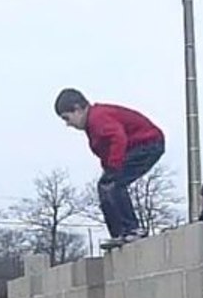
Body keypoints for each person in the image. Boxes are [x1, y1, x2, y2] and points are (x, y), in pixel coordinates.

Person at [54, 88, 165, 250]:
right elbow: (106, 150)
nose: (68, 124)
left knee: (115, 183)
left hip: (148, 143)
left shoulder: (97, 118)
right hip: (136, 147)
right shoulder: (92, 127)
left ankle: (133, 229)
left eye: (67, 118)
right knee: (105, 186)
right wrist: (109, 169)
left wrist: (113, 168)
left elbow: (117, 137)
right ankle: (119, 233)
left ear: (77, 109)